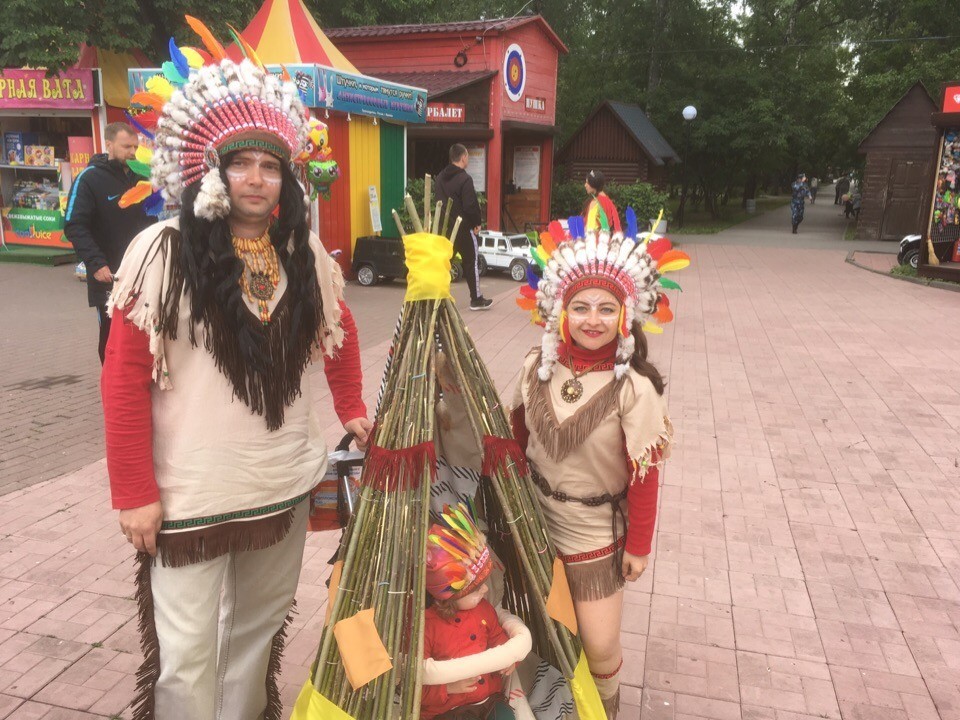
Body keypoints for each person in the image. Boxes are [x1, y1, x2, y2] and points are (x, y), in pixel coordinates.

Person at [100, 26, 372, 720]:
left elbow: (340, 332)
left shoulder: (302, 250)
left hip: (282, 481)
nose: (255, 177)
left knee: (256, 638)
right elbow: (123, 378)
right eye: (241, 162)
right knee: (187, 654)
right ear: (211, 171)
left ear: (286, 177)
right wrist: (133, 490)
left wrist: (352, 410)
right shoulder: (161, 250)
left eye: (270, 165)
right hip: (189, 493)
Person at [511, 226, 674, 719]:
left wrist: (640, 546)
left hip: (594, 535)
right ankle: (550, 710)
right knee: (540, 632)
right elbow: (516, 442)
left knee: (600, 646)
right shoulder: (536, 365)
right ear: (561, 312)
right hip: (534, 522)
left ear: (625, 315)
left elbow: (644, 475)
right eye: (580, 307)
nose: (592, 320)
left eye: (606, 308)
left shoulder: (635, 389)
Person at [421, 504, 530, 720]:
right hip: (446, 710)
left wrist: (510, 659)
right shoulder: (427, 626)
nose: (486, 590)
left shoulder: (483, 610)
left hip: (488, 699)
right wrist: (448, 688)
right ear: (450, 597)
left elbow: (499, 638)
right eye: (476, 589)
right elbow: (412, 683)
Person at [64, 122, 153, 363]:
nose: (132, 152)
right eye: (126, 146)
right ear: (109, 144)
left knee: (146, 333)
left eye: (135, 146)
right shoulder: (89, 179)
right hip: (110, 276)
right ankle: (111, 390)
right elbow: (74, 224)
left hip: (146, 274)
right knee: (113, 337)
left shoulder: (143, 176)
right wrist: (96, 263)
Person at [436, 144, 492, 310]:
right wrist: (476, 223)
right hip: (463, 228)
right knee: (471, 262)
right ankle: (476, 299)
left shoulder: (439, 178)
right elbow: (470, 205)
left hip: (445, 229)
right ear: (463, 158)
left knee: (443, 264)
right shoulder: (465, 179)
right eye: (467, 156)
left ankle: (437, 299)